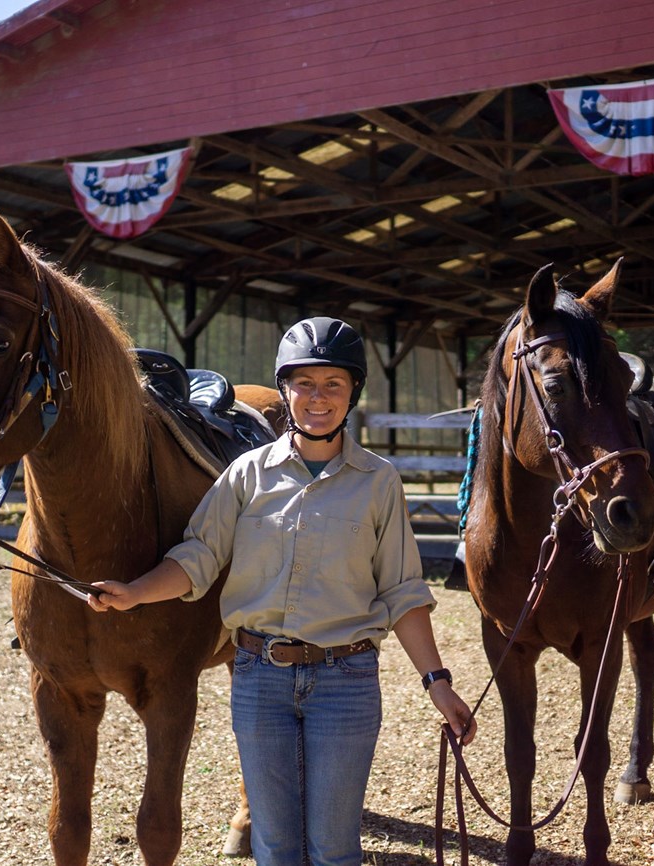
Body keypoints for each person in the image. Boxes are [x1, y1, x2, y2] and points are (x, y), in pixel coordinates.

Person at [88, 316, 477, 866]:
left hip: (345, 683)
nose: (317, 398)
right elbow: (197, 556)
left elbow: (403, 590)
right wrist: (134, 592)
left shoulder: (380, 482)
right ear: (286, 390)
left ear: (352, 392)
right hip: (259, 680)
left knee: (333, 847)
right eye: (304, 384)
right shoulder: (247, 474)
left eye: (333, 384)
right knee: (273, 847)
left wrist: (437, 683)